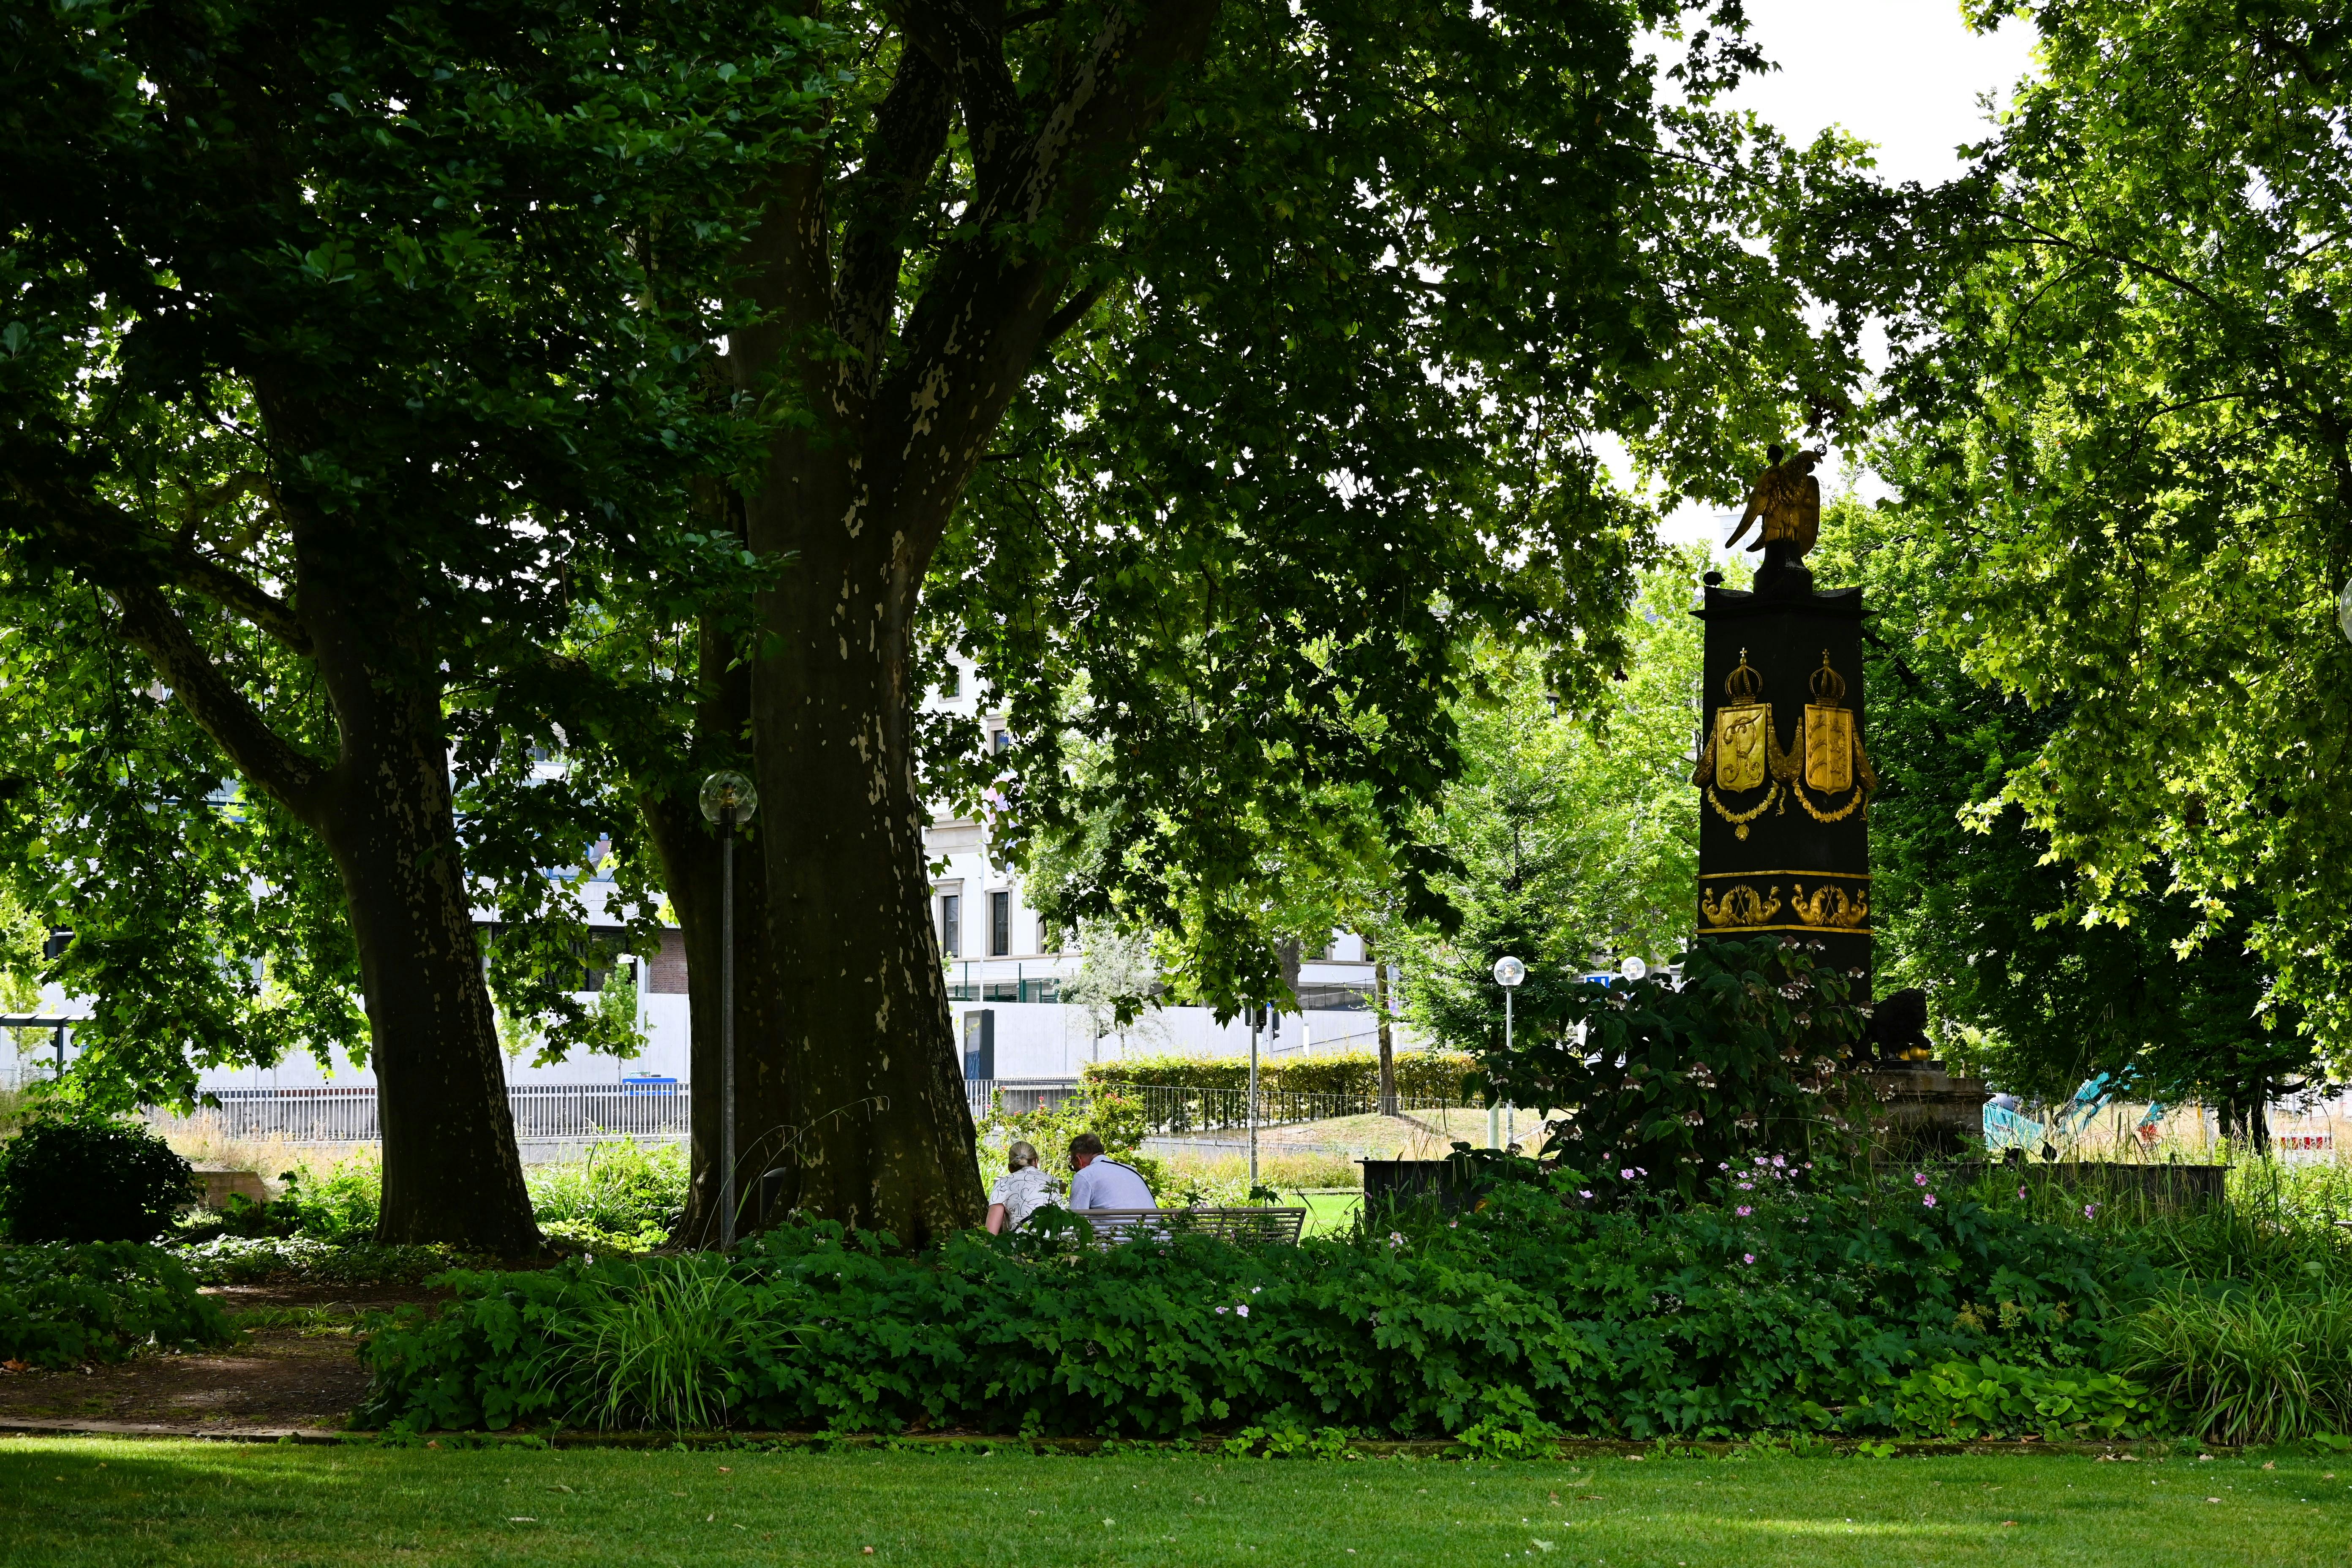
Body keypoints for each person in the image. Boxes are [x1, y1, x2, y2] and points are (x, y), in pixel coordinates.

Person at [1066, 1132, 1154, 1211]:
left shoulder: (1085, 1175)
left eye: (1074, 1166)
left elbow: (1076, 1220)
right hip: (1157, 1228)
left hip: (1119, 1229)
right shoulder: (1132, 1171)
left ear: (1079, 1160)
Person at [985, 1141, 1059, 1234]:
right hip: (1060, 1239)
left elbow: (991, 1233)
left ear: (1010, 1167)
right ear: (1036, 1162)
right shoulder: (1052, 1181)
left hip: (1026, 1241)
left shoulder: (1003, 1184)